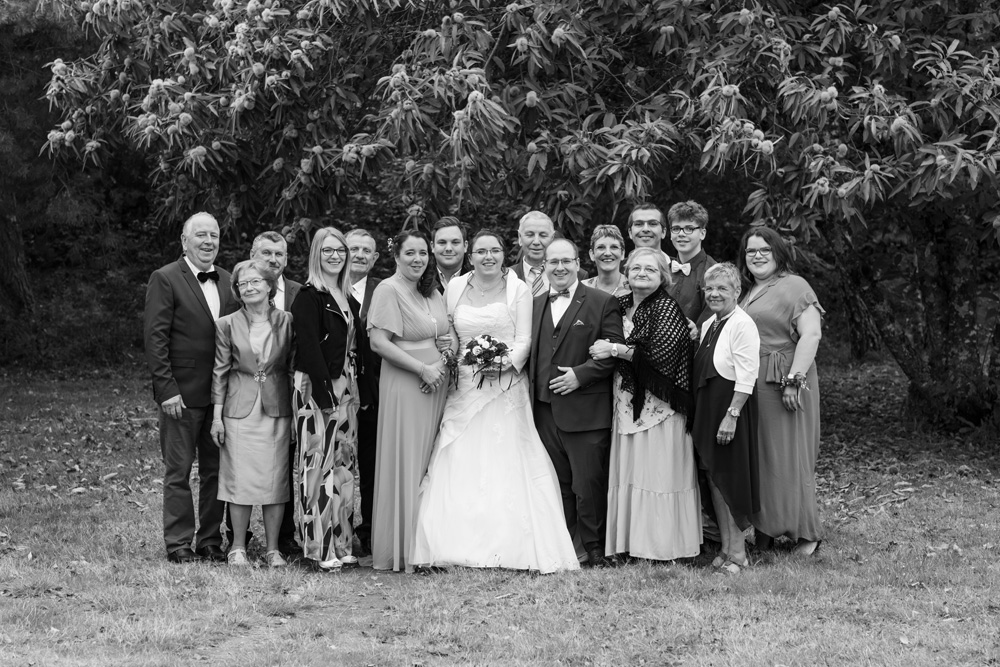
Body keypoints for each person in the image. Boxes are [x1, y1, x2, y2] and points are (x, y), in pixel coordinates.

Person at [411, 231, 580, 573]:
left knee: (506, 457)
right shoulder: (456, 286)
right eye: (481, 251)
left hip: (506, 386)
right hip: (465, 386)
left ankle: (509, 545)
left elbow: (524, 339)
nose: (488, 257)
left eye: (495, 251)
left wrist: (503, 364)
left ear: (504, 254)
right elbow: (451, 332)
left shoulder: (518, 289)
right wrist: (452, 354)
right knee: (460, 455)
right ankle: (453, 542)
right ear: (470, 255)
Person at [590, 248, 700, 562]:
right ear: (627, 272)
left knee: (657, 474)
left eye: (650, 269)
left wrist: (613, 349)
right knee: (632, 472)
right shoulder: (619, 304)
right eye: (636, 267)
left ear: (662, 276)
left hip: (659, 408)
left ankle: (661, 546)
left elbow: (660, 359)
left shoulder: (666, 308)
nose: (641, 273)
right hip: (625, 402)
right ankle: (631, 543)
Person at [143, 211, 237, 563]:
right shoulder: (165, 278)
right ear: (185, 241)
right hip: (181, 394)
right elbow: (155, 339)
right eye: (201, 235)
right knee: (178, 471)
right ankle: (179, 542)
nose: (208, 241)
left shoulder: (228, 279)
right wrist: (166, 389)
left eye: (214, 235)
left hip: (221, 397)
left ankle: (210, 540)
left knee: (216, 472)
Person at [531, 239, 624, 567]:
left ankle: (595, 548)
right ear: (544, 266)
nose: (560, 268)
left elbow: (614, 351)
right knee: (558, 483)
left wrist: (580, 375)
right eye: (553, 262)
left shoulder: (602, 302)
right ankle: (565, 545)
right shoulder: (534, 304)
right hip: (543, 409)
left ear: (578, 263)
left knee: (588, 484)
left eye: (566, 261)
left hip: (585, 409)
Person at [737, 227, 824, 556]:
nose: (757, 256)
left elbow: (811, 335)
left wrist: (794, 380)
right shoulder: (749, 290)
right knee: (764, 458)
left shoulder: (795, 285)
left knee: (791, 456)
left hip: (786, 380)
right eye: (751, 251)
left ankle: (806, 533)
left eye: (765, 250)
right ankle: (767, 529)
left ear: (778, 253)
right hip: (756, 382)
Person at [368, 230, 450, 572]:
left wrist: (443, 362)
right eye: (410, 253)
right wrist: (422, 369)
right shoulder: (388, 290)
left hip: (437, 381)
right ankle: (402, 548)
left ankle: (429, 542)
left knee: (431, 461)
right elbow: (378, 342)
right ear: (396, 256)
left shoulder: (432, 291)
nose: (418, 259)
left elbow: (446, 334)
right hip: (407, 383)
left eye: (422, 253)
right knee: (408, 461)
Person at [210, 259, 294, 567]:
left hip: (277, 407)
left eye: (255, 281)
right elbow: (220, 372)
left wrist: (297, 412)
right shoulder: (226, 324)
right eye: (242, 284)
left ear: (270, 285)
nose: (248, 288)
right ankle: (238, 548)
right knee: (239, 480)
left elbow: (292, 368)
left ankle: (273, 549)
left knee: (276, 480)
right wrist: (217, 417)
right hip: (238, 410)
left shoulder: (287, 321)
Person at [290, 227, 362, 571]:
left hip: (347, 388)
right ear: (316, 254)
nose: (335, 256)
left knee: (344, 468)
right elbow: (307, 347)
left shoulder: (346, 295)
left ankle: (342, 543)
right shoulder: (309, 296)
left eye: (341, 250)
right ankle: (319, 548)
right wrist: (324, 391)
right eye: (328, 250)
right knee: (318, 467)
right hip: (317, 388)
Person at [692, 263, 761, 574]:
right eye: (710, 288)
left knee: (729, 481)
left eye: (722, 288)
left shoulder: (742, 324)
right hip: (709, 408)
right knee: (714, 478)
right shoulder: (710, 323)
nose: (715, 294)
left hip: (729, 410)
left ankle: (739, 553)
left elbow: (747, 376)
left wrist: (731, 416)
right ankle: (726, 547)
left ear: (737, 292)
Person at [246, 231, 301, 557]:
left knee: (283, 467)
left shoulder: (298, 293)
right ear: (253, 255)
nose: (273, 259)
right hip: (244, 396)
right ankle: (236, 536)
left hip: (284, 394)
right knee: (240, 464)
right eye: (266, 253)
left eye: (279, 254)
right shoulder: (238, 289)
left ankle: (284, 537)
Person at [345, 228, 381, 555]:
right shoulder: (326, 289)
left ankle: (369, 531)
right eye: (353, 248)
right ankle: (339, 532)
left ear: (375, 257)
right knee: (338, 466)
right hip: (337, 392)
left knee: (371, 465)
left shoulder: (383, 290)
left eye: (366, 250)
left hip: (374, 393)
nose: (359, 255)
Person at [665, 201, 716, 327]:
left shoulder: (714, 274)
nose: (681, 234)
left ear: (702, 234)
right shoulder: (663, 272)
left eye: (689, 229)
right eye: (676, 229)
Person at [582, 224, 629, 297]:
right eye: (601, 247)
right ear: (592, 254)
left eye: (614, 247)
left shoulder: (633, 287)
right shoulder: (581, 288)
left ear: (622, 253)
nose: (607, 253)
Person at [431, 216, 468, 289]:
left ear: (465, 246)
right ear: (432, 247)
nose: (448, 248)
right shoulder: (419, 281)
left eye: (455, 242)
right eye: (442, 242)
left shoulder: (478, 280)